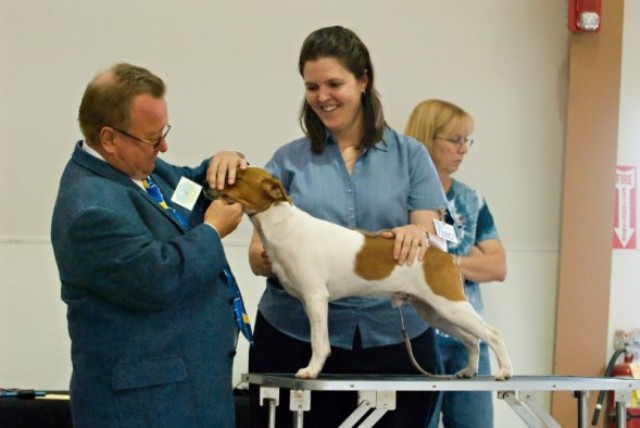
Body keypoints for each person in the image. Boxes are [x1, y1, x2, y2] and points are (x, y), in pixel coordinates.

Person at [247, 26, 447, 428]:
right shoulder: (287, 161)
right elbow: (256, 256)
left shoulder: (411, 156)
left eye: (334, 83)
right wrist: (275, 259)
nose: (323, 96)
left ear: (363, 81)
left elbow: (429, 233)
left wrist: (418, 234)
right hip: (294, 339)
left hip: (394, 337)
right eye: (312, 86)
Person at [50, 62, 249, 427]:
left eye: (163, 132)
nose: (164, 146)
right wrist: (212, 232)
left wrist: (223, 162)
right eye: (153, 138)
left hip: (189, 393)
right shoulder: (90, 209)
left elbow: (189, 188)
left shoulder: (142, 171)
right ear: (109, 138)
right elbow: (156, 278)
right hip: (145, 407)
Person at [404, 99, 507, 428]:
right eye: (455, 140)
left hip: (468, 336)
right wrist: (470, 260)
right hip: (420, 335)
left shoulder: (471, 199)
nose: (463, 149)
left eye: (467, 140)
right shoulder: (401, 196)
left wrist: (445, 265)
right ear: (426, 139)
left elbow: (497, 267)